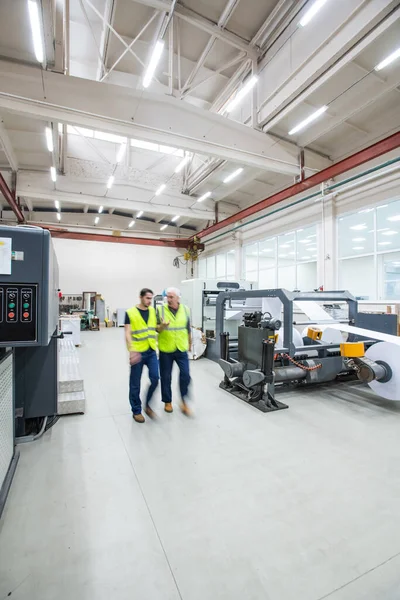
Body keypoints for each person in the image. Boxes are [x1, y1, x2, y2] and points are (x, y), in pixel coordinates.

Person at [157, 287, 192, 416]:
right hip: (166, 348)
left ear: (178, 298)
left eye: (171, 297)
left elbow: (188, 328)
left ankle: (184, 401)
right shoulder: (160, 310)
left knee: (185, 375)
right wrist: (162, 326)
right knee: (166, 377)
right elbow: (156, 329)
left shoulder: (186, 310)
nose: (168, 299)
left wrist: (190, 343)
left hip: (181, 348)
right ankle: (167, 401)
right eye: (167, 297)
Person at [125, 288, 159, 423]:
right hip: (137, 352)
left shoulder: (152, 311)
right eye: (147, 298)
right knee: (135, 383)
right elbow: (127, 332)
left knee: (156, 378)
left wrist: (163, 327)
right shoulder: (130, 313)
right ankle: (136, 410)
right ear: (140, 297)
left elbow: (155, 328)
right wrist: (132, 350)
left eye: (151, 298)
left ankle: (148, 404)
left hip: (151, 351)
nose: (150, 301)